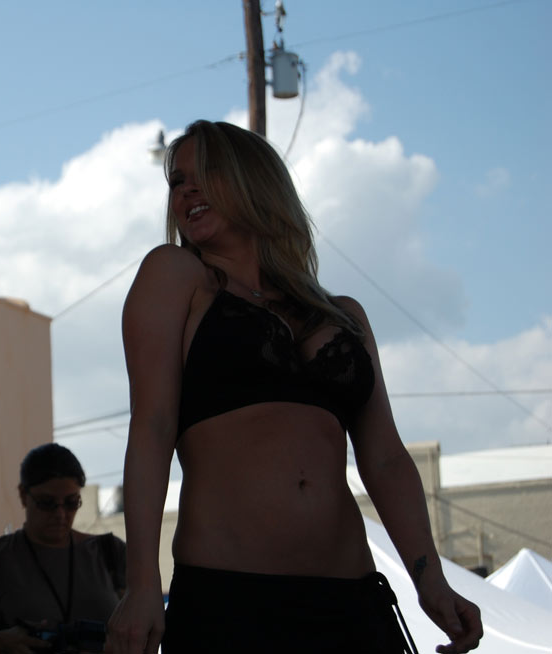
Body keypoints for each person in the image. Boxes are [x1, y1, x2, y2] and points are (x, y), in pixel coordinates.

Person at [105, 120, 483, 653]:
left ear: (255, 180)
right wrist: (143, 583)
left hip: (352, 604)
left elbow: (385, 458)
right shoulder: (176, 276)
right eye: (177, 181)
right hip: (231, 605)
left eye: (206, 172)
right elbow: (152, 427)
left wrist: (431, 580)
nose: (186, 190)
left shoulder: (344, 314)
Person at [0, 443, 126, 653]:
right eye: (46, 503)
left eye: (71, 502)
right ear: (23, 495)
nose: (60, 514)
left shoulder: (111, 553)